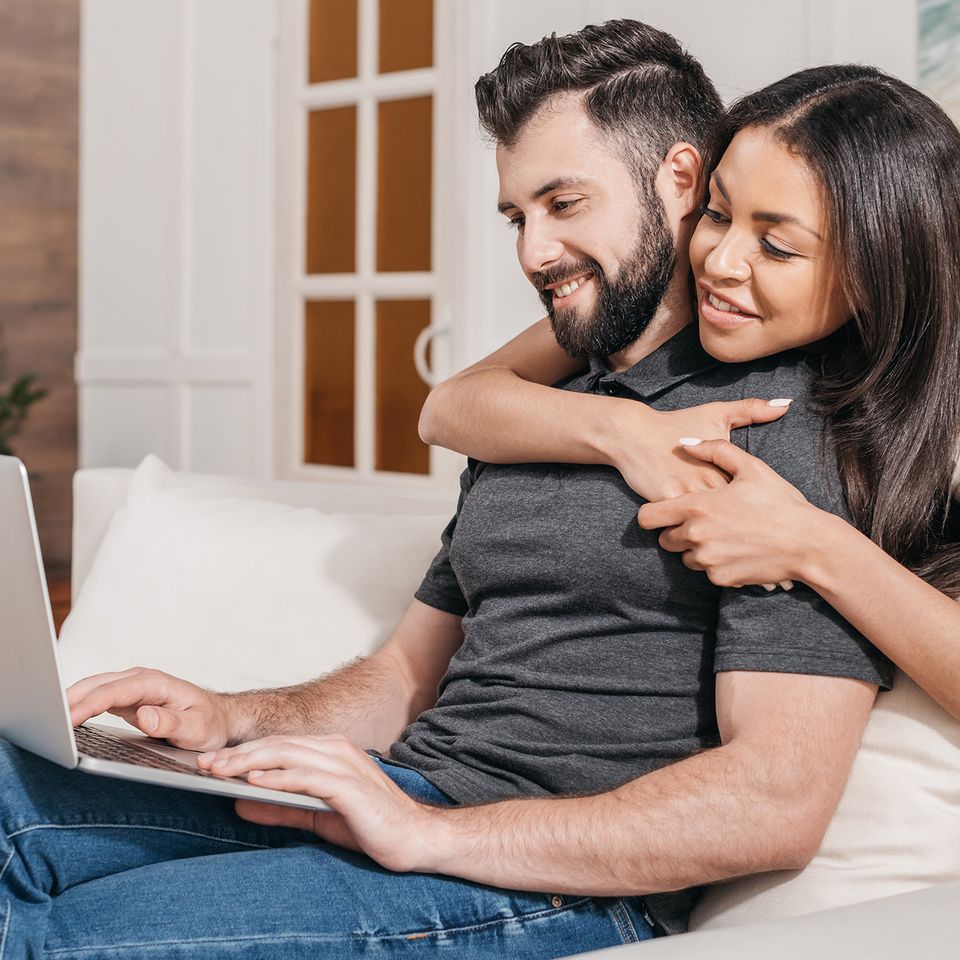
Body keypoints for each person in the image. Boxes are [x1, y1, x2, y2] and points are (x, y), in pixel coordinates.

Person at [0, 22, 891, 958]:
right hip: (405, 799)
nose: (534, 253)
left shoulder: (771, 428)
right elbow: (405, 678)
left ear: (677, 178)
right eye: (517, 215)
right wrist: (230, 716)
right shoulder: (531, 410)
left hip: (555, 882)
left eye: (563, 202)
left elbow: (777, 800)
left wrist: (430, 835)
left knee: (62, 939)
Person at [421, 62, 960, 722]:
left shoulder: (855, 430)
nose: (719, 261)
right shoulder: (691, 310)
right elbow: (452, 403)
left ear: (881, 273)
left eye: (777, 245)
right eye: (717, 212)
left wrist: (817, 546)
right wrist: (630, 432)